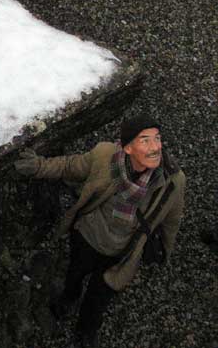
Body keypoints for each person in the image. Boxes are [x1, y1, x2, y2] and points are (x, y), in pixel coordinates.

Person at [14, 114, 186, 348]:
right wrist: (38, 166)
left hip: (123, 255)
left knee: (99, 297)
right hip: (87, 238)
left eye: (157, 138)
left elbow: (172, 219)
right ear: (127, 147)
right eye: (145, 140)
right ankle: (68, 299)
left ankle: (85, 332)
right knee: (74, 274)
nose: (155, 147)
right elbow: (69, 166)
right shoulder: (104, 156)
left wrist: (165, 249)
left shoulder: (173, 181)